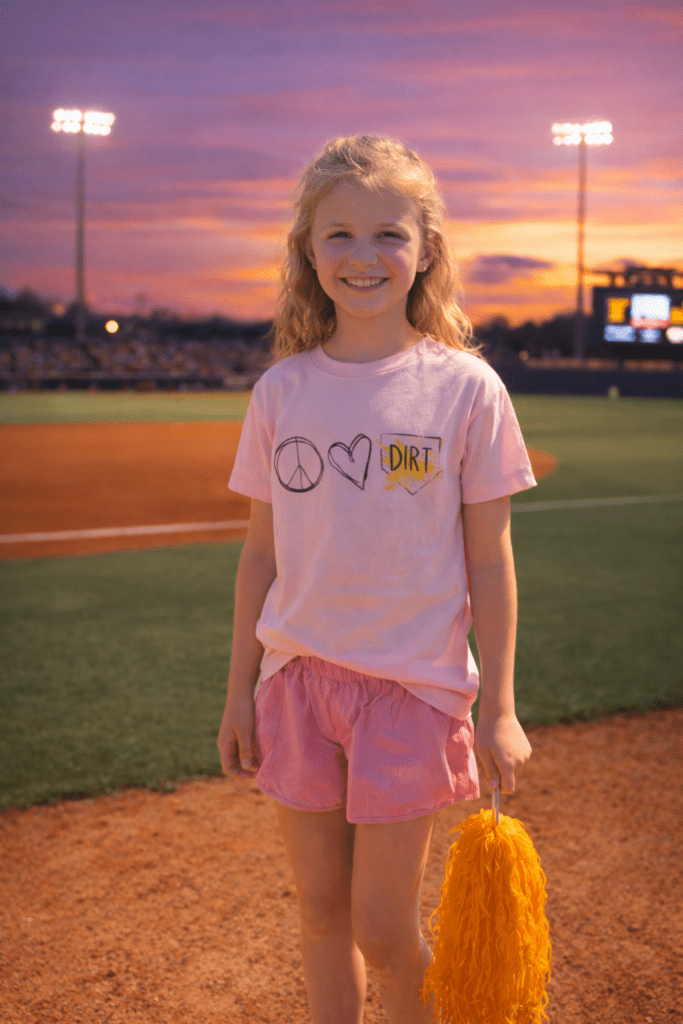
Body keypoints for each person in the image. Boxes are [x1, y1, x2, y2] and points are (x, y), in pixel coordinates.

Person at [218, 134, 537, 1024]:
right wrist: (240, 690)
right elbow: (260, 555)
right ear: (308, 253)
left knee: (383, 928)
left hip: (413, 691)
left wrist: (501, 706)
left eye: (388, 234)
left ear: (426, 248)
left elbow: (488, 559)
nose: (363, 257)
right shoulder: (281, 391)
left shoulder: (466, 389)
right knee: (321, 915)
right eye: (338, 236)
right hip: (296, 683)